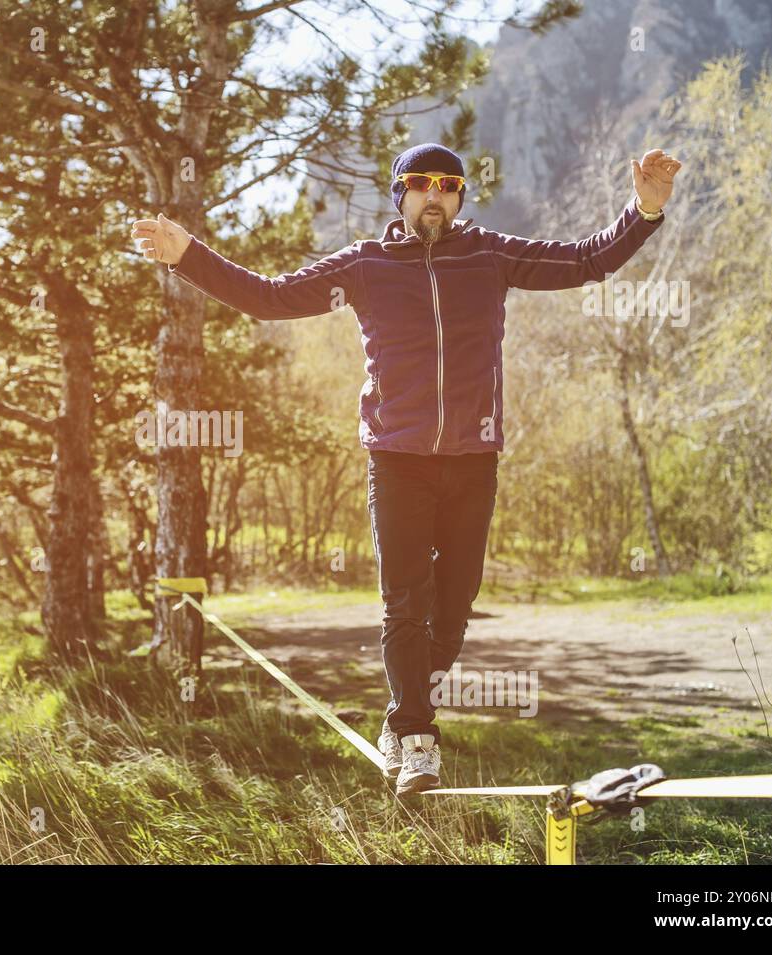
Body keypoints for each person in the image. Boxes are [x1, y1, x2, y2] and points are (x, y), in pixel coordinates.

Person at [131, 142, 681, 795]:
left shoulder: (490, 255)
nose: (435, 193)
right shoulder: (367, 265)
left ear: (458, 198)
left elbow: (589, 260)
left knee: (453, 610)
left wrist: (643, 209)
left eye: (448, 184)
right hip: (396, 459)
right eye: (420, 183)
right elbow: (271, 299)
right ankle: (417, 736)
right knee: (404, 605)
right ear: (401, 195)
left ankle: (404, 713)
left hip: (474, 458)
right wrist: (187, 255)